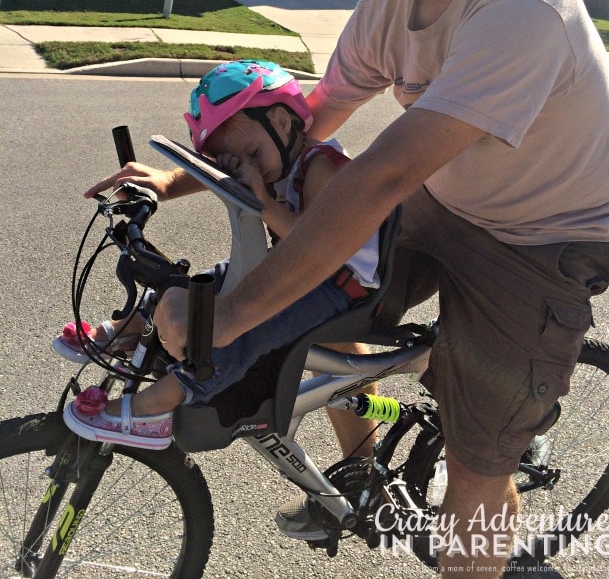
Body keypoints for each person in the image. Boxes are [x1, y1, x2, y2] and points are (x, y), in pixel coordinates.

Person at [83, 0, 609, 576]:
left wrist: (225, 319)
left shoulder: (522, 5)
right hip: (445, 202)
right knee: (317, 324)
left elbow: (377, 177)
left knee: (476, 477)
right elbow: (304, 129)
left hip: (542, 241)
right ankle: (362, 477)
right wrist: (174, 179)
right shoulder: (386, 8)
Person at [63, 60, 382, 450]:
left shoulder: (322, 168)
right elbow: (216, 173)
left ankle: (162, 404)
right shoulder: (276, 156)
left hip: (338, 285)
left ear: (283, 123)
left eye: (250, 152)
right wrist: (164, 184)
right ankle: (131, 325)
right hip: (297, 267)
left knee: (247, 327)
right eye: (236, 159)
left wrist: (263, 201)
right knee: (207, 285)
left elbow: (314, 245)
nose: (250, 168)